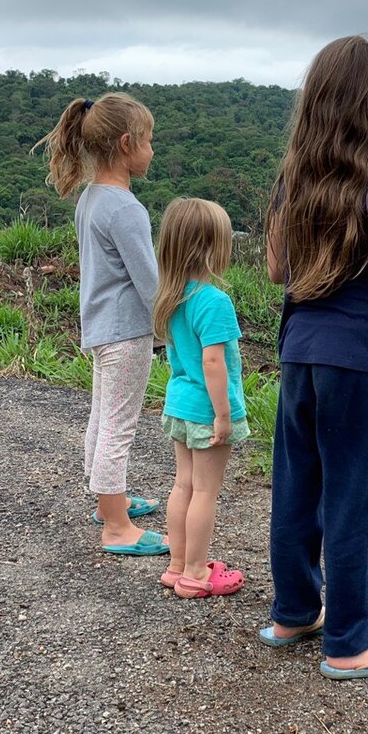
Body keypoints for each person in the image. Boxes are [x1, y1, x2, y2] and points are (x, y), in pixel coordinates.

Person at [258, 35, 368, 679]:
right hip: (358, 358)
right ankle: (351, 640)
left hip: (300, 351)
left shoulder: (293, 179)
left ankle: (294, 610)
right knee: (352, 494)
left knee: (299, 484)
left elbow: (275, 268)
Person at [33, 93, 168, 556]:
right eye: (149, 141)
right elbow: (149, 281)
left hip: (99, 325)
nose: (153, 150)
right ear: (127, 144)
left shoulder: (91, 197)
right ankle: (116, 526)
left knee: (102, 414)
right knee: (119, 423)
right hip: (127, 331)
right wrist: (172, 325)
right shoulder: (127, 208)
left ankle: (110, 501)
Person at [151, 198, 248, 599]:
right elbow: (214, 362)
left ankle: (176, 566)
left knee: (183, 486)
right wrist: (224, 415)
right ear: (212, 248)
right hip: (208, 411)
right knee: (206, 491)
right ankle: (196, 573)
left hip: (179, 404)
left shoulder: (170, 297)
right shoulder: (214, 301)